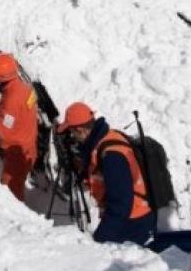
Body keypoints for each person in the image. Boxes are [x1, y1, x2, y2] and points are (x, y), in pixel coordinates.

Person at [57, 102, 156, 246]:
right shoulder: (105, 138)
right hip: (128, 217)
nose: (72, 137)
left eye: (72, 133)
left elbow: (121, 204)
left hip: (133, 222)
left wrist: (101, 238)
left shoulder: (111, 155)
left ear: (80, 130)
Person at [0, 52, 38, 201]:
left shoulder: (11, 101)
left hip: (17, 154)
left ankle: (18, 222)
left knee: (10, 196)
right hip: (29, 146)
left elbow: (3, 135)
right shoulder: (25, 88)